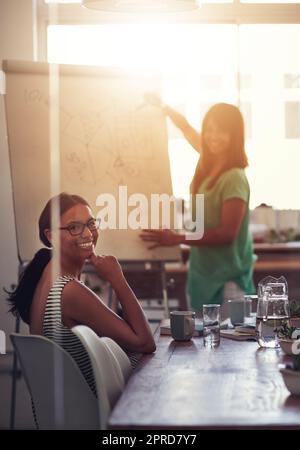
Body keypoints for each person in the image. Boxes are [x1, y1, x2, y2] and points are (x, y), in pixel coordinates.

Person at [8, 193, 156, 396]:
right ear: (51, 236)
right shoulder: (69, 291)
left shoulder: (46, 273)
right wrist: (117, 279)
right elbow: (145, 343)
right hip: (93, 412)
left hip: (70, 410)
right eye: (74, 227)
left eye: (91, 224)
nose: (87, 234)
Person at [140, 98, 255, 318]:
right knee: (204, 348)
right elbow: (185, 127)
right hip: (202, 277)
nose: (213, 137)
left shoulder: (235, 177)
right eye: (209, 129)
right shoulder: (208, 158)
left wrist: (177, 238)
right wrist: (164, 107)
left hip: (228, 282)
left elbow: (226, 234)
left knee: (231, 350)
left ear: (235, 135)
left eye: (221, 131)